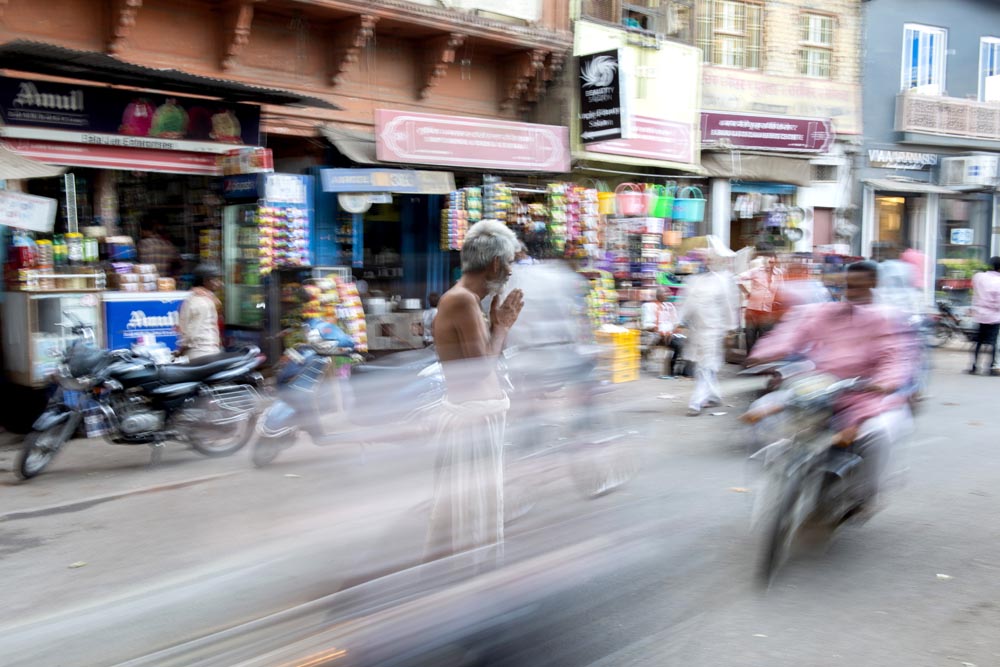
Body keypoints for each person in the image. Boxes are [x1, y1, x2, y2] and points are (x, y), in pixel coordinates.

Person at [747, 261, 915, 512]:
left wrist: (885, 383)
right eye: (849, 285)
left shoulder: (887, 318)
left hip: (867, 395)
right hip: (822, 389)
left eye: (860, 285)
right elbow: (792, 334)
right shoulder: (825, 312)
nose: (853, 290)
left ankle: (864, 495)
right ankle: (779, 467)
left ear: (874, 284)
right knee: (761, 411)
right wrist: (763, 354)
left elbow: (896, 357)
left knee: (878, 434)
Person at [426, 220, 524, 567]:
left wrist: (498, 326)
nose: (511, 271)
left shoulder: (469, 301)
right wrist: (502, 326)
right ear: (495, 264)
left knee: (466, 508)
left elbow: (489, 358)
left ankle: (459, 576)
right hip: (470, 422)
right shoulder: (462, 301)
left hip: (477, 419)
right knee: (466, 511)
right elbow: (481, 368)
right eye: (509, 263)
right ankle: (460, 578)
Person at [679, 252, 739, 416]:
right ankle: (714, 395)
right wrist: (677, 322)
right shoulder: (693, 281)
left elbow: (728, 306)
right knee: (706, 365)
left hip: (713, 330)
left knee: (704, 366)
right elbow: (687, 304)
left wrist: (731, 328)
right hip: (697, 330)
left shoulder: (722, 281)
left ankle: (696, 403)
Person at [177, 263, 224, 361]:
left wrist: (180, 351)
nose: (220, 283)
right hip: (202, 354)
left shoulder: (201, 299)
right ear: (205, 281)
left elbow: (188, 334)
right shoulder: (200, 301)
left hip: (203, 352)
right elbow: (191, 333)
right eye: (216, 279)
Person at [738, 253, 783, 353]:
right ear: (763, 261)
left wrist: (777, 303)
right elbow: (738, 279)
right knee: (750, 338)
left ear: (775, 261)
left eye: (771, 261)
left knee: (764, 340)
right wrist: (746, 292)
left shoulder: (779, 273)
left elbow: (781, 289)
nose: (769, 263)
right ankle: (749, 363)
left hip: (767, 312)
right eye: (767, 261)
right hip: (752, 311)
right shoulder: (755, 271)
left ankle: (759, 364)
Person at [641, 287, 683, 378]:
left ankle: (675, 370)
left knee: (682, 342)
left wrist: (674, 329)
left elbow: (675, 322)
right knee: (676, 343)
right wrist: (660, 331)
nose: (668, 294)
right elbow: (646, 325)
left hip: (670, 334)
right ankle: (670, 370)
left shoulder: (670, 306)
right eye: (665, 292)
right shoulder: (649, 306)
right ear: (658, 294)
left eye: (668, 293)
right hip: (656, 335)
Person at [969, 256, 1000, 376]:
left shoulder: (979, 277)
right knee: (992, 343)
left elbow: (974, 287)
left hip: (980, 315)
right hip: (994, 316)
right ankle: (990, 367)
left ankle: (974, 366)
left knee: (979, 342)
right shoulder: (999, 281)